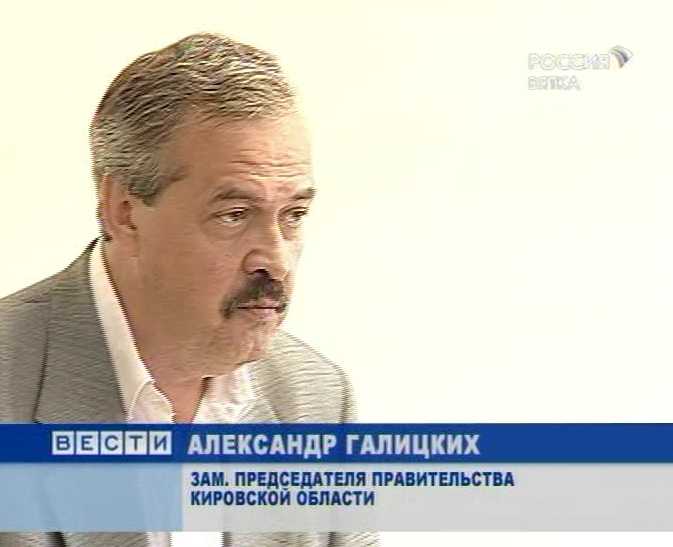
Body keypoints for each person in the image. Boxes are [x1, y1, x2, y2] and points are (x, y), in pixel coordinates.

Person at [0, 33, 379, 547]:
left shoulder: (317, 400)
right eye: (234, 214)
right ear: (124, 211)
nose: (276, 259)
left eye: (293, 215)